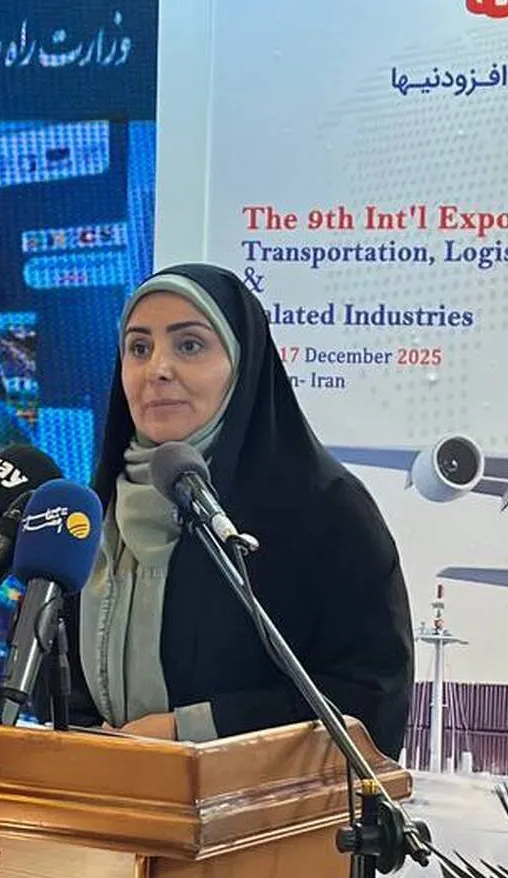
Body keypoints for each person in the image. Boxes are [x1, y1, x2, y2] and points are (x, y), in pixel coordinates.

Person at [68, 264, 413, 757]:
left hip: (265, 803)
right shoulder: (95, 510)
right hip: (107, 794)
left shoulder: (324, 509)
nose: (157, 369)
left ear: (242, 363)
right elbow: (60, 679)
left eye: (189, 345)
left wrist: (189, 732)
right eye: (138, 348)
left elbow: (369, 697)